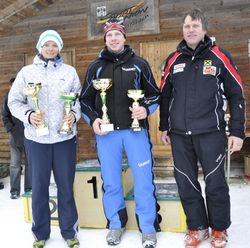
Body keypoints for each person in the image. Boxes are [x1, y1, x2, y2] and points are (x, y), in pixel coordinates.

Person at [160, 8, 245, 248]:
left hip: (211, 132)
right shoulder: (173, 59)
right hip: (179, 134)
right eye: (187, 26)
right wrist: (164, 126)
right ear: (183, 30)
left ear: (204, 29)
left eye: (195, 26)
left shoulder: (220, 56)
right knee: (186, 182)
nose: (190, 30)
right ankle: (197, 227)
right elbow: (165, 96)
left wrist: (237, 132)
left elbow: (236, 95)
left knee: (215, 182)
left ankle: (219, 228)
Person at [80, 18, 161, 248]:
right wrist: (94, 119)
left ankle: (148, 228)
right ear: (105, 39)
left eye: (117, 34)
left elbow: (155, 95)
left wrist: (145, 109)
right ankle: (116, 224)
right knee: (112, 182)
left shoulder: (139, 64)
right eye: (109, 35)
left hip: (135, 133)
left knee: (144, 181)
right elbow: (84, 100)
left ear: (125, 38)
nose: (113, 38)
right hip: (107, 135)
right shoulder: (95, 67)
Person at [8, 30, 81, 248]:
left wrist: (74, 115)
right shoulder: (26, 72)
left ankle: (69, 231)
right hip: (36, 140)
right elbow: (14, 102)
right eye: (46, 45)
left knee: (66, 186)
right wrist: (29, 116)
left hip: (64, 139)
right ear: (39, 47)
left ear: (60, 48)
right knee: (39, 188)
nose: (50, 48)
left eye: (54, 45)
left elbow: (78, 100)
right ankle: (40, 232)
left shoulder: (69, 72)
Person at [2, 77, 31, 199]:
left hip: (30, 135)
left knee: (30, 163)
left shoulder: (29, 95)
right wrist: (11, 129)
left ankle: (29, 188)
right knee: (15, 164)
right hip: (15, 136)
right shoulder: (9, 97)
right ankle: (14, 191)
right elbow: (5, 115)